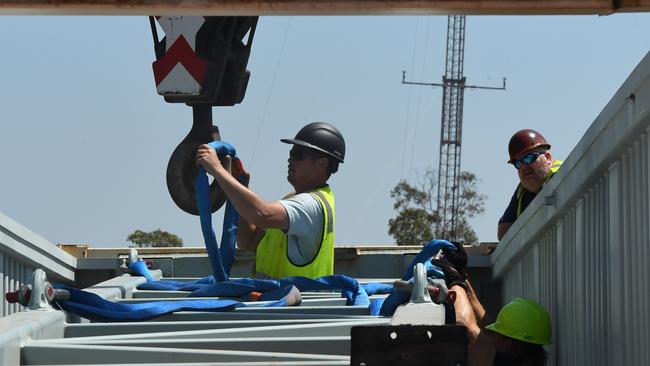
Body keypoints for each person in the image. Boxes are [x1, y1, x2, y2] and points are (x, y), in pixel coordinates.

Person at [196, 122, 345, 279]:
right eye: (290, 154)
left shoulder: (310, 205)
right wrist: (239, 185)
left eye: (298, 155)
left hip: (295, 301)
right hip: (277, 300)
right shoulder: (293, 201)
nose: (290, 160)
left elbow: (262, 214)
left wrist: (217, 170)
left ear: (321, 164)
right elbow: (248, 241)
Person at [435, 243, 552, 366]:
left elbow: (465, 327)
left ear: (507, 344)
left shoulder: (498, 361)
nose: (491, 337)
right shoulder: (524, 359)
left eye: (497, 335)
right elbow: (487, 331)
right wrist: (461, 276)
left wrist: (453, 278)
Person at [498, 129, 563, 240]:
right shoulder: (522, 190)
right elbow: (503, 232)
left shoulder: (563, 175)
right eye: (518, 163)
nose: (524, 167)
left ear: (548, 158)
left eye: (529, 158)